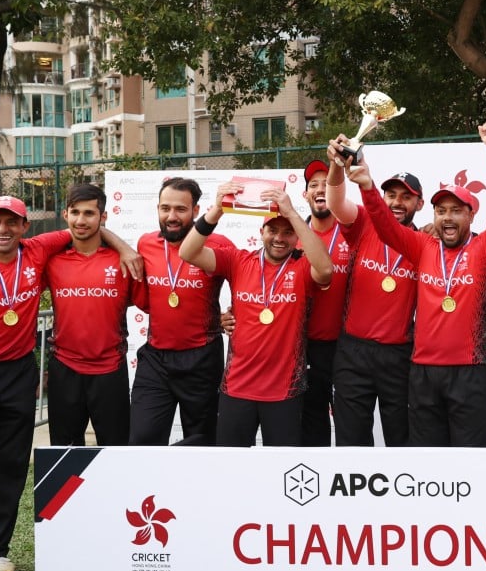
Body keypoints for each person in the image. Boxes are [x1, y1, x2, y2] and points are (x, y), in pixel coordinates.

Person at [0, 195, 139, 571]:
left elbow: (85, 228)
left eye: (12, 222)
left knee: (10, 465)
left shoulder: (37, 250)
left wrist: (124, 248)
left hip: (20, 374)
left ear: (25, 227)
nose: (3, 229)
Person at [334, 122, 486, 446]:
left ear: (471, 216)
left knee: (469, 461)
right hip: (422, 373)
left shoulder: (485, 248)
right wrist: (368, 187)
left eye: (457, 211)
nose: (448, 217)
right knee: (424, 462)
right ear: (432, 214)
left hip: (469, 370)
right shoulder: (423, 246)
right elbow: (386, 226)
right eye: (441, 210)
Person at [179, 182, 333, 446]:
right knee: (231, 463)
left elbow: (326, 270)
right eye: (273, 230)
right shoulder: (238, 260)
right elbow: (187, 251)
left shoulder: (303, 267)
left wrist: (292, 213)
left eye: (288, 232)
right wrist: (217, 210)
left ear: (296, 237)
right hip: (237, 387)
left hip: (285, 391)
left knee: (282, 467)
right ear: (261, 232)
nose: (279, 238)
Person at [129, 178, 235, 446]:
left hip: (202, 358)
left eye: (180, 209)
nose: (171, 217)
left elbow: (247, 283)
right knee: (142, 439)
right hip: (155, 359)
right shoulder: (146, 243)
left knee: (201, 442)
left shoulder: (219, 244)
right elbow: (146, 300)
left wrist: (233, 315)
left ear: (196, 210)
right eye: (165, 208)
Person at [325, 163, 423, 447]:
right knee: (351, 440)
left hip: (399, 355)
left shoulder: (425, 242)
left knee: (401, 441)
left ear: (419, 203)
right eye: (391, 195)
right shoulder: (364, 222)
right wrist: (336, 166)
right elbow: (335, 203)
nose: (397, 202)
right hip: (353, 352)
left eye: (406, 197)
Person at [45, 183, 134, 446]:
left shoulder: (124, 260)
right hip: (64, 368)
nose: (81, 220)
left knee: (115, 451)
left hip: (110, 369)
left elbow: (155, 304)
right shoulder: (52, 261)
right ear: (65, 215)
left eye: (89, 213)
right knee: (65, 453)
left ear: (103, 217)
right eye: (75, 212)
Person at [299, 160, 354, 446]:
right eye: (313, 185)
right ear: (305, 194)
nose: (320, 189)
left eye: (326, 184)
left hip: (347, 347)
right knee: (312, 424)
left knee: (349, 424)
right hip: (304, 347)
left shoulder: (353, 232)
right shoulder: (292, 236)